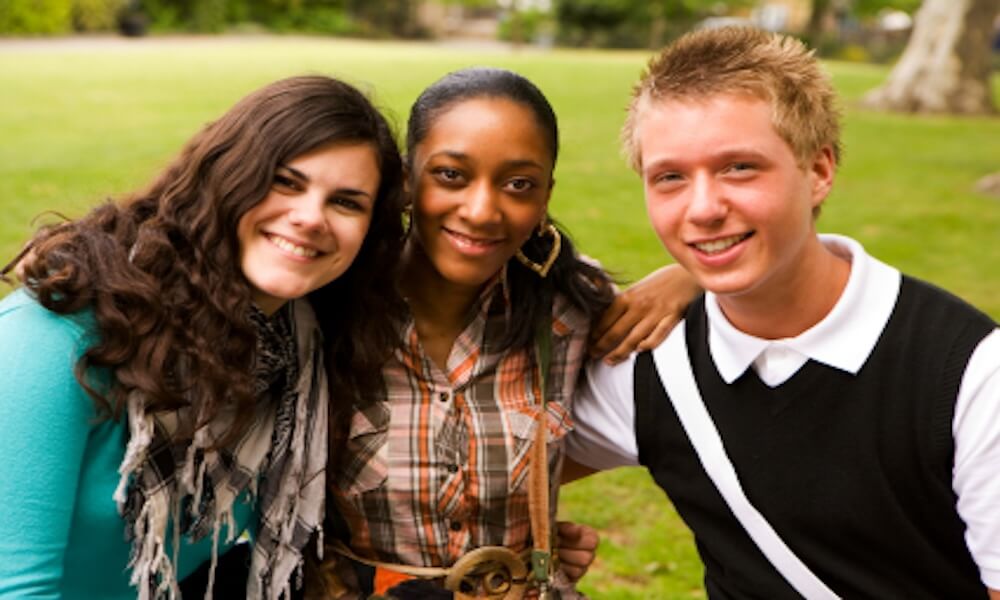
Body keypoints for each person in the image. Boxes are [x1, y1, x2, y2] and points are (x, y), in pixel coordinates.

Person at [565, 27, 1000, 599]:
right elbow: (479, 471)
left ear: (819, 171)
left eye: (739, 168)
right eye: (670, 177)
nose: (702, 209)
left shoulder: (971, 374)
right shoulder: (650, 363)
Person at [0, 75, 406, 599]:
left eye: (346, 203)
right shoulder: (57, 334)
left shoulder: (293, 355)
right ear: (227, 177)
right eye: (285, 181)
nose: (309, 218)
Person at [309, 67, 699, 599]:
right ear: (405, 178)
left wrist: (694, 276)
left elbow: (779, 289)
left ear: (544, 197)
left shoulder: (570, 308)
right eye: (451, 175)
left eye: (518, 184)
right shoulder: (331, 302)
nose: (481, 210)